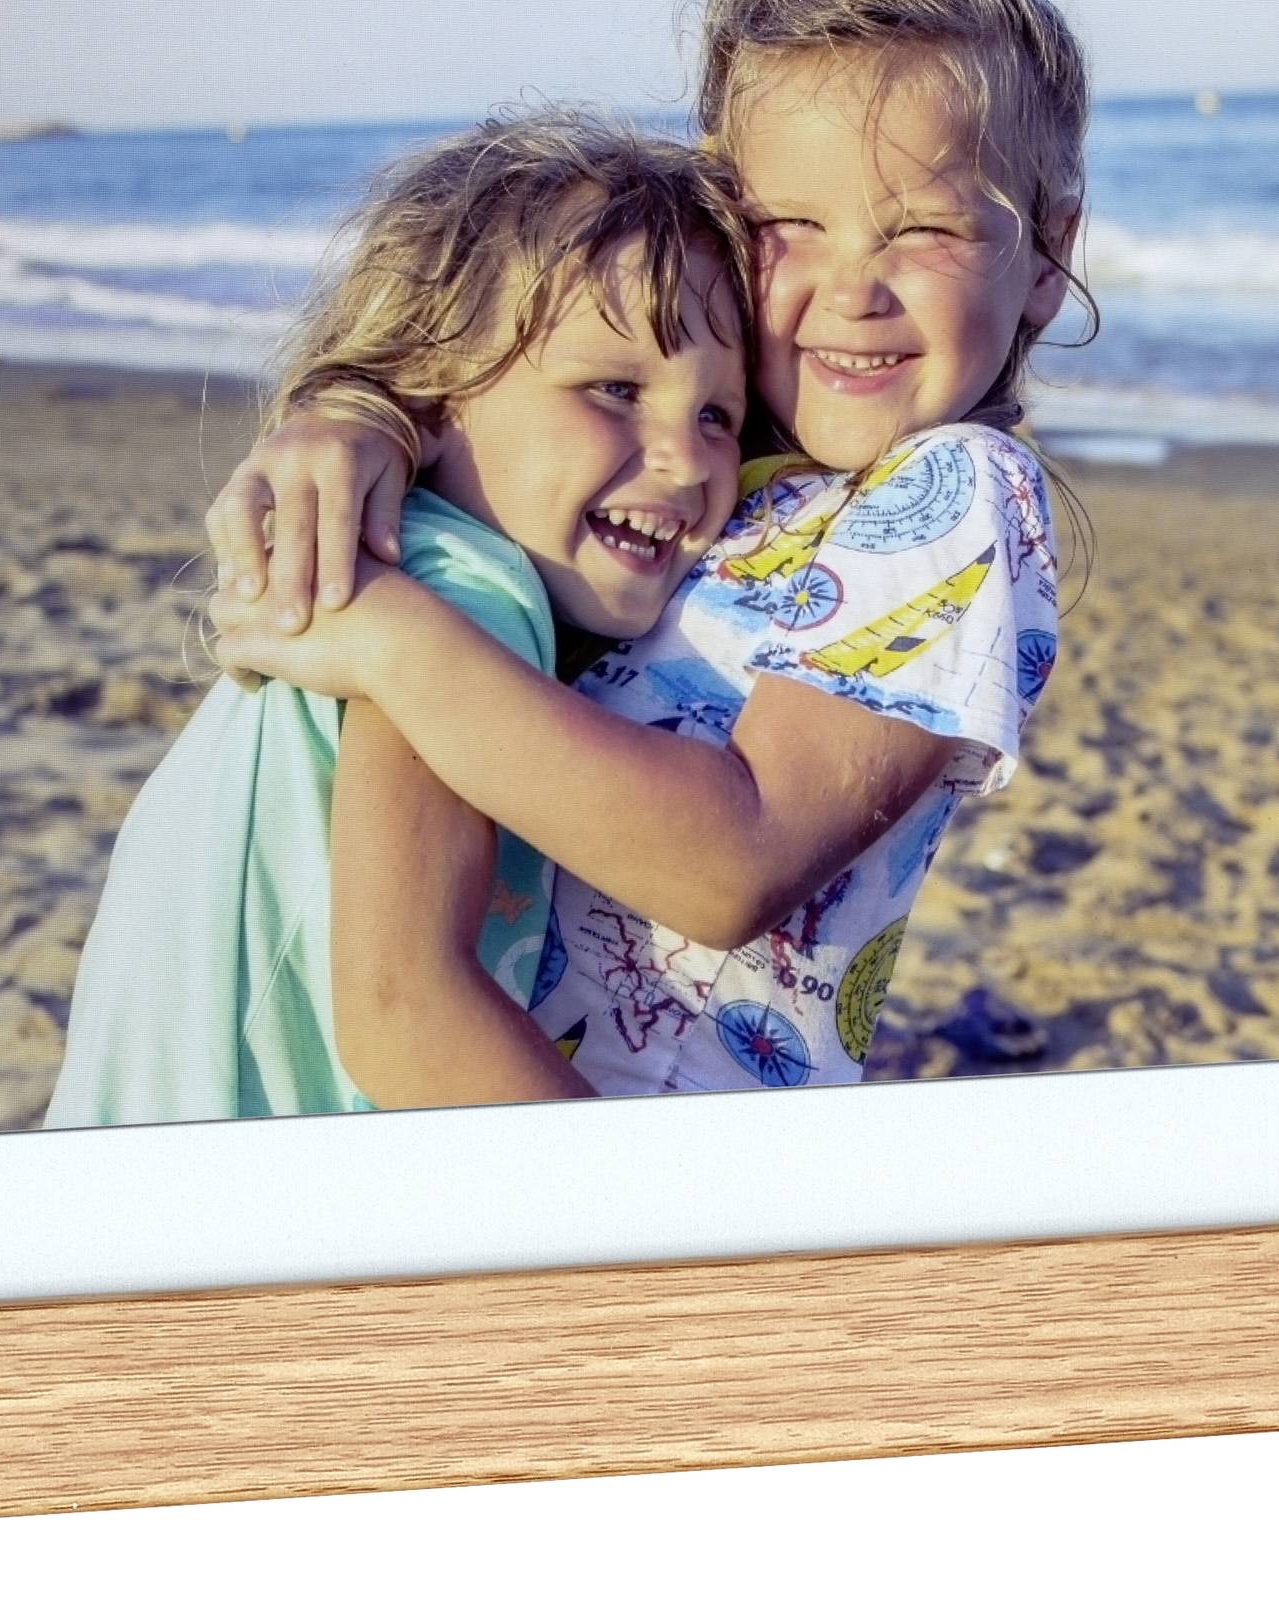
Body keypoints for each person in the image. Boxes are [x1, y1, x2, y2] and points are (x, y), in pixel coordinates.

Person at [210, 0, 1082, 1098]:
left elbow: (734, 862)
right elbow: (525, 394)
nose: (853, 291)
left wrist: (389, 635)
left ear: (1046, 252)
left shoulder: (959, 492)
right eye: (789, 228)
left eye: (924, 228)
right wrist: (365, 418)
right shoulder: (707, 473)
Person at [45, 112, 755, 1126]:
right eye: (614, 388)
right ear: (433, 387)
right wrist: (675, 1238)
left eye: (718, 415)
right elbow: (403, 1009)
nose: (686, 461)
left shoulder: (414, 562)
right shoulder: (458, 588)